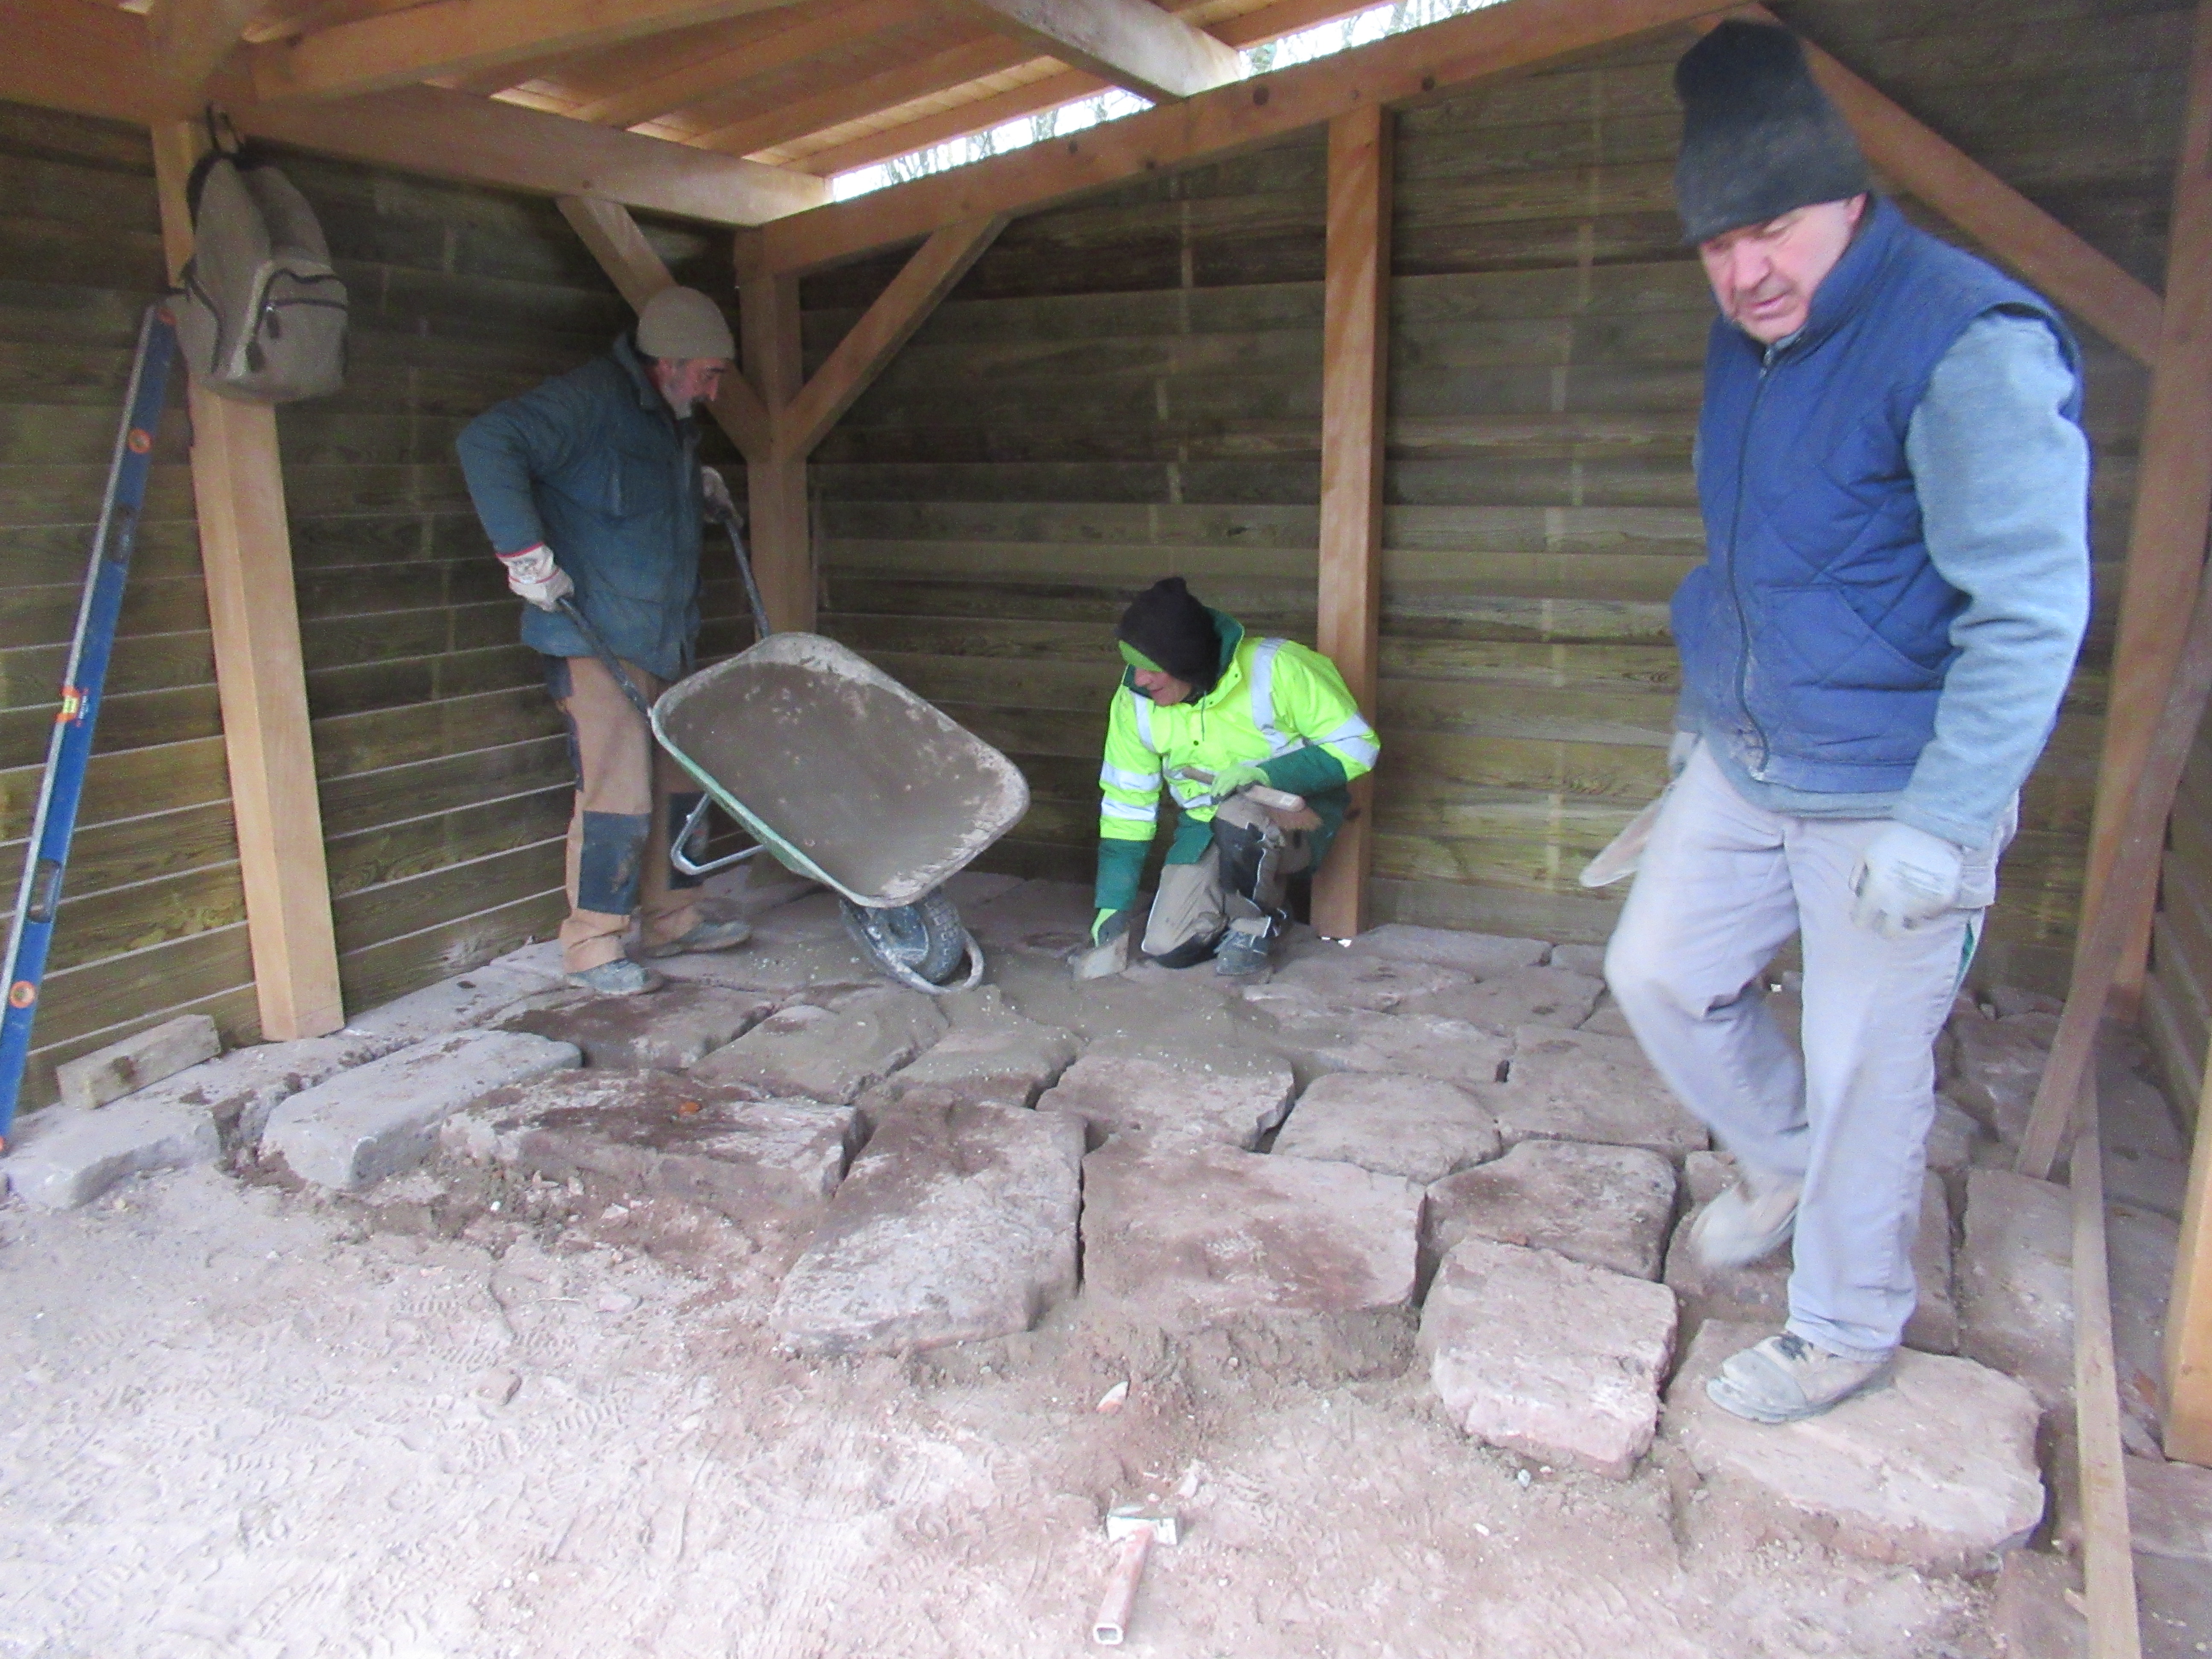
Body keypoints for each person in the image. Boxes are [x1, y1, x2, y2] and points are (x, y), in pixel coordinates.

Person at [1604, 22, 2091, 1423]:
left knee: (1868, 1062)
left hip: (1896, 780)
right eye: (1717, 244)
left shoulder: (1964, 343)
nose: (1745, 270)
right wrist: (1704, 713)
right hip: (1754, 754)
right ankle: (1785, 1160)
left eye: (1774, 230)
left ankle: (1844, 1323)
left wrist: (1944, 822)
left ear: (1851, 201)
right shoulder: (1750, 343)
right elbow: (1748, 556)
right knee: (1658, 971)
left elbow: (2029, 611)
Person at [456, 286, 755, 997]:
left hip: (666, 633)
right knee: (617, 789)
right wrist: (523, 553)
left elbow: (628, 498)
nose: (714, 392)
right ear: (668, 363)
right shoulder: (587, 403)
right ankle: (594, 944)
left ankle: (674, 918)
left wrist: (693, 487)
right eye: (708, 375)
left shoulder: (670, 418)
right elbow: (485, 442)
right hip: (594, 635)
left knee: (680, 782)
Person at [1090, 577, 1380, 976]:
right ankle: (1254, 910)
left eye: (1152, 669)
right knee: (1168, 947)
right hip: (1205, 824)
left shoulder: (1279, 667)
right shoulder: (1134, 702)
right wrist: (1113, 903)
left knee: (1241, 816)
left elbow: (1359, 746)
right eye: (1134, 666)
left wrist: (1265, 774)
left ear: (1187, 663)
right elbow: (1127, 802)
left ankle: (1255, 926)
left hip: (1292, 818)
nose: (1139, 680)